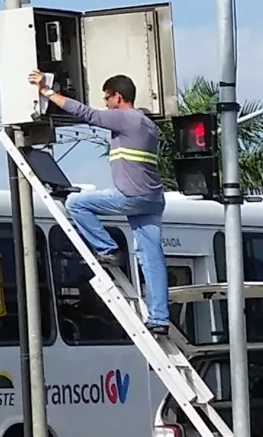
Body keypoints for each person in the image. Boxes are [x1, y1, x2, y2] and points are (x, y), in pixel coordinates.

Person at [29, 70, 169, 331]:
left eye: (107, 99)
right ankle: (159, 319)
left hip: (132, 196)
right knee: (151, 258)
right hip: (153, 199)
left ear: (118, 97)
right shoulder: (147, 123)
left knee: (76, 204)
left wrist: (47, 92)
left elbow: (87, 114)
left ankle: (107, 250)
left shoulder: (126, 118)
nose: (105, 104)